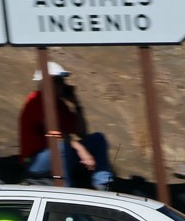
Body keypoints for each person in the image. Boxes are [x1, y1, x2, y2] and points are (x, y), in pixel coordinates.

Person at [19, 61, 114, 189]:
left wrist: (77, 105)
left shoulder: (60, 105)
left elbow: (81, 132)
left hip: (60, 154)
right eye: (59, 81)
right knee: (61, 146)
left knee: (98, 139)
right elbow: (56, 133)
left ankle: (102, 184)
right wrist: (81, 150)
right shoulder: (35, 101)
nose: (63, 85)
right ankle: (66, 189)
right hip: (36, 161)